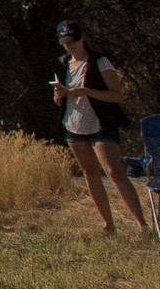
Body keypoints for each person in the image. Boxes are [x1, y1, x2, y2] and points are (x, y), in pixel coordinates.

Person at [56, 20, 148, 235]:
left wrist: (87, 91)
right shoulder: (62, 64)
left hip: (100, 123)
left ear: (83, 38)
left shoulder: (100, 61)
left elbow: (117, 95)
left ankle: (141, 224)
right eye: (66, 42)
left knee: (114, 172)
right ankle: (108, 224)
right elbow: (60, 100)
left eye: (74, 41)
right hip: (73, 124)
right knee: (90, 173)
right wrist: (59, 96)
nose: (71, 46)